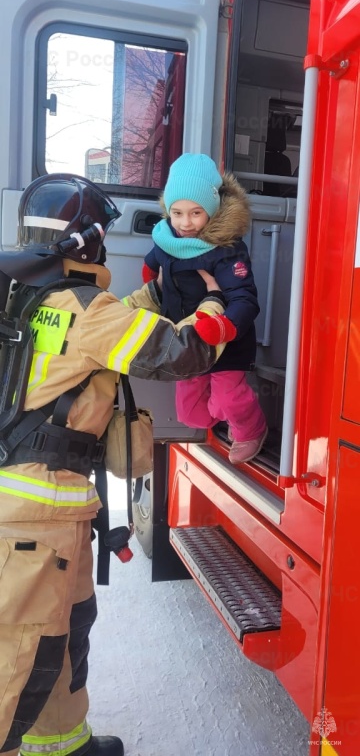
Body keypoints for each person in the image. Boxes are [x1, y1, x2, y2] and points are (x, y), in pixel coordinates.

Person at [0, 174, 226, 756]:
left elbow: (80, 344)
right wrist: (215, 301)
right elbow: (180, 351)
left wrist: (145, 300)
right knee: (18, 653)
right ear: (88, 242)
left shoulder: (25, 297)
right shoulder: (86, 311)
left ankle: (62, 745)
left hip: (41, 508)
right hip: (37, 513)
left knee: (63, 637)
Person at [141, 153, 267, 464]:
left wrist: (226, 326)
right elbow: (155, 260)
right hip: (187, 342)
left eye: (196, 213)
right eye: (177, 212)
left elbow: (245, 298)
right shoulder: (165, 239)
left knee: (228, 395)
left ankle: (251, 427)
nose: (186, 223)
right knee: (191, 415)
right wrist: (150, 276)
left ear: (210, 210)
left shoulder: (225, 248)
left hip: (226, 340)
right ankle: (229, 411)